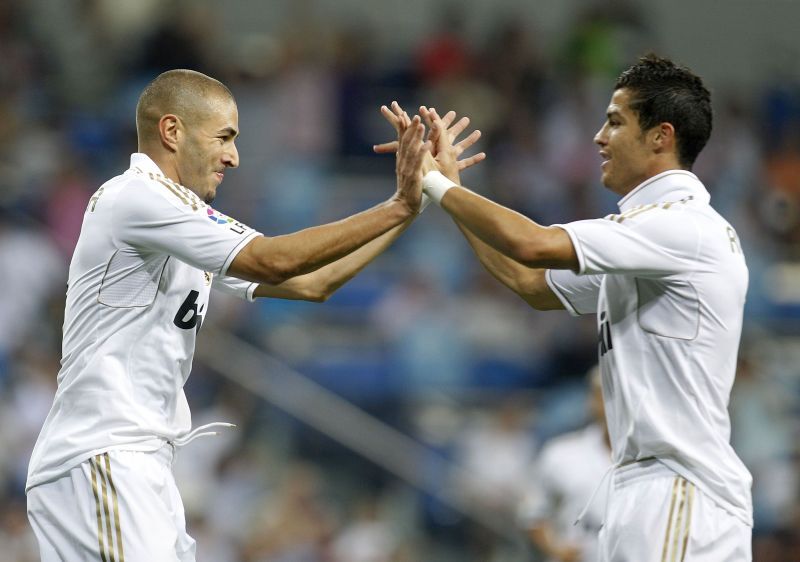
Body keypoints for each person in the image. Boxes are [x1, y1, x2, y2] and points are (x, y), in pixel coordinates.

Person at [24, 69, 482, 561]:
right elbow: (274, 258)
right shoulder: (138, 196)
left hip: (137, 463)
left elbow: (313, 283)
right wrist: (397, 204)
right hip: (104, 452)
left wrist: (413, 205)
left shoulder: (175, 217)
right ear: (172, 132)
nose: (234, 157)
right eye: (224, 138)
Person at [390, 54, 753, 560]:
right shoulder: (653, 235)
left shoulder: (680, 226)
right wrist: (452, 192)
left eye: (615, 122)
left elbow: (534, 246)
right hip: (650, 490)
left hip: (677, 491)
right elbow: (530, 283)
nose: (599, 138)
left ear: (660, 136)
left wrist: (437, 183)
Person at [518, 367, 611, 562]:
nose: (611, 404)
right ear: (592, 400)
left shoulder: (657, 457)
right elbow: (533, 513)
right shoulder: (561, 453)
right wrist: (556, 549)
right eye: (603, 395)